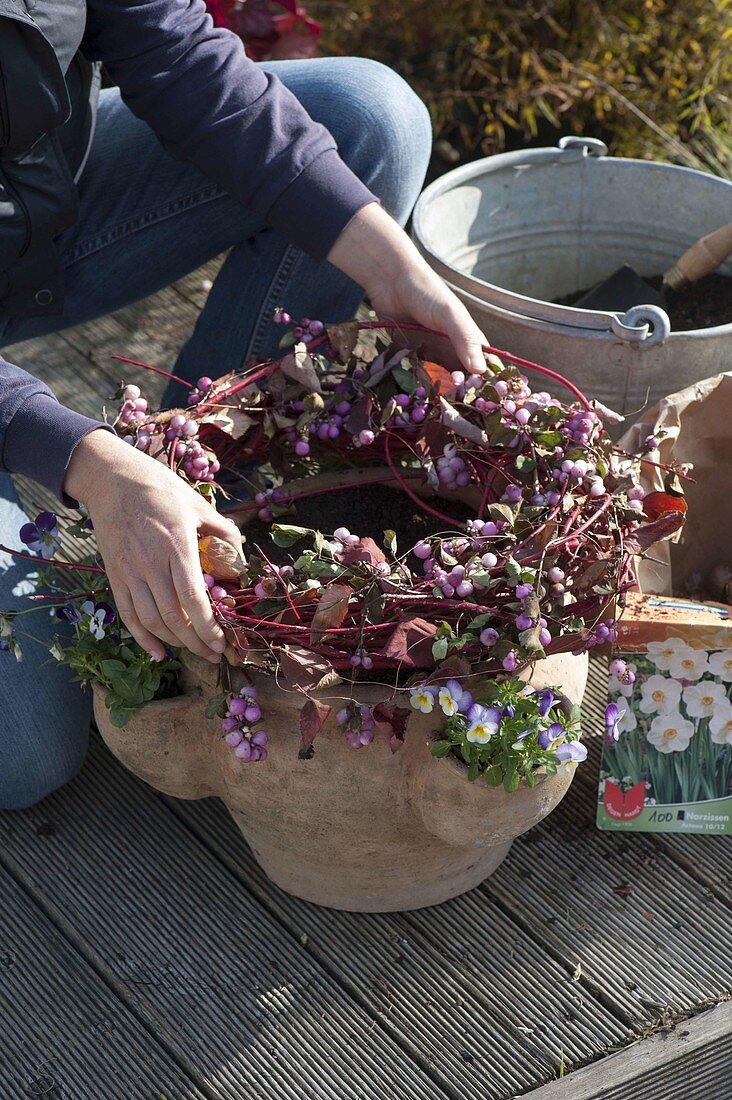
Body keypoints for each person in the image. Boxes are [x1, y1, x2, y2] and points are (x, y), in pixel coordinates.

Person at [0, 0, 486, 810]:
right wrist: (82, 457)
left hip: (36, 210)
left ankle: (193, 522)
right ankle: (137, 522)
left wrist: (396, 269)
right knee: (23, 748)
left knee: (369, 124)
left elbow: (179, 54)